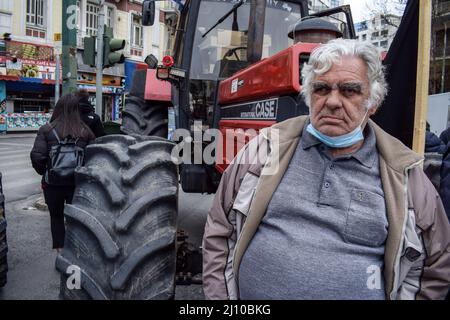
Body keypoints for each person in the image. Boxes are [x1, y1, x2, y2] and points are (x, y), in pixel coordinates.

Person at [202, 39, 450, 300]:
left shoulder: (403, 174)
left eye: (349, 91)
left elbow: (435, 265)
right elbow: (220, 231)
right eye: (321, 88)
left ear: (373, 102)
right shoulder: (265, 150)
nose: (332, 101)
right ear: (309, 95)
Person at [30, 94, 95, 252]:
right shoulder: (85, 131)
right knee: (77, 218)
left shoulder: (46, 129)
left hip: (53, 184)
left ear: (58, 108)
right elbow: (94, 158)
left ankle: (60, 249)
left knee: (56, 217)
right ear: (76, 110)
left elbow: (37, 156)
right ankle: (76, 251)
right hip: (77, 185)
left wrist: (46, 172)